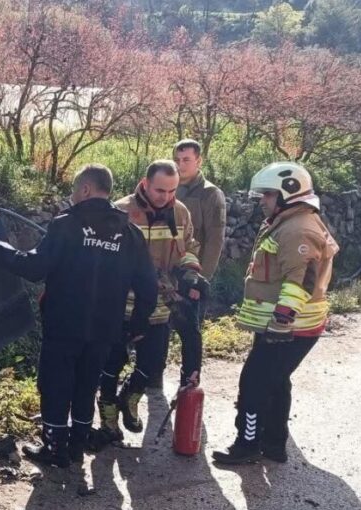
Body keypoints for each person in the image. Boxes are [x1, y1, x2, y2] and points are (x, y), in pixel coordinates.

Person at [0, 164, 157, 468]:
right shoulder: (130, 233)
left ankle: (55, 448)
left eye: (75, 190)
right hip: (105, 329)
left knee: (56, 385)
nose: (72, 196)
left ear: (86, 189)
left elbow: (35, 268)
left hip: (64, 324)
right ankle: (77, 446)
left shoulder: (67, 225)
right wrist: (136, 325)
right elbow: (148, 287)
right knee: (86, 385)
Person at [212, 161, 338, 465]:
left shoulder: (297, 228)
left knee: (254, 383)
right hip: (289, 326)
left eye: (267, 195)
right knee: (277, 381)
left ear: (286, 194)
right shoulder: (292, 221)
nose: (262, 201)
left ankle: (247, 443)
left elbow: (303, 278)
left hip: (287, 327)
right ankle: (274, 444)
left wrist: (282, 319)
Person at [97, 160, 206, 445]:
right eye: (160, 190)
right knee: (111, 363)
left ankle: (130, 397)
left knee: (152, 362)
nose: (166, 197)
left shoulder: (180, 213)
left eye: (172, 191)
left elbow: (189, 247)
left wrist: (191, 272)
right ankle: (108, 418)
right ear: (145, 184)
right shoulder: (120, 212)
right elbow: (103, 262)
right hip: (121, 307)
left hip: (159, 306)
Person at [174, 139, 227, 280]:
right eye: (177, 160)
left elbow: (215, 241)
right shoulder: (167, 188)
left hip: (190, 273)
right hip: (165, 274)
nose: (180, 165)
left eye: (186, 160)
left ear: (198, 161)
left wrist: (202, 279)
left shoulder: (211, 194)